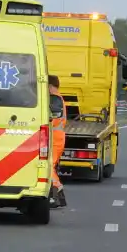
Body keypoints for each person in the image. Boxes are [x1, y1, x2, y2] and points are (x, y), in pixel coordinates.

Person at [48, 74, 67, 209]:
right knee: (50, 166)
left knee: (49, 166)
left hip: (55, 138)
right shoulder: (57, 98)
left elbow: (52, 119)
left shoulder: (55, 99)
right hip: (55, 137)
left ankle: (57, 192)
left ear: (50, 86)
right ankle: (58, 196)